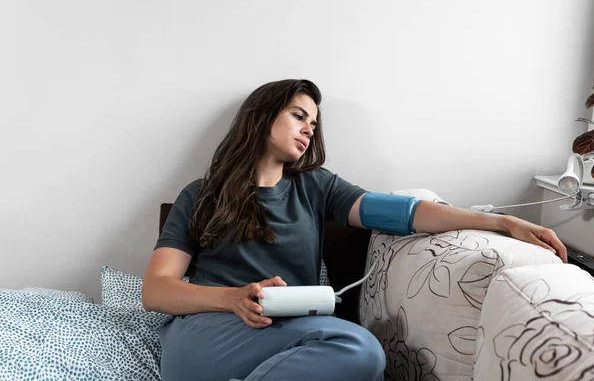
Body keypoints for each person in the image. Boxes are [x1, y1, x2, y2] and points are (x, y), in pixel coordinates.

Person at [142, 79, 568, 381]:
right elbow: (156, 291)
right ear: (260, 117)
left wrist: (500, 221)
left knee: (361, 351)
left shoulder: (315, 186)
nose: (310, 127)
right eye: (298, 115)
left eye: (314, 122)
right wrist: (233, 299)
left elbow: (408, 213)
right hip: (207, 334)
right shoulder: (200, 195)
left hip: (289, 331)